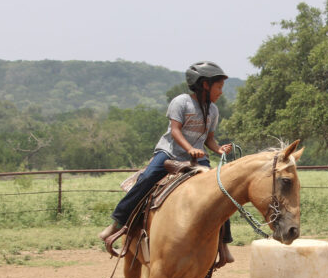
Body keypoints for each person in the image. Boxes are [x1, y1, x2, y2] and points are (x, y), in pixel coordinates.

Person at [99, 61, 234, 262]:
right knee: (147, 178)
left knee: (219, 189)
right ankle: (118, 222)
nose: (221, 92)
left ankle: (223, 243)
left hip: (198, 159)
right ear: (205, 84)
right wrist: (189, 149)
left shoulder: (213, 110)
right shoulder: (182, 102)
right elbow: (175, 131)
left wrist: (218, 148)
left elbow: (209, 138)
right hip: (170, 153)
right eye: (219, 86)